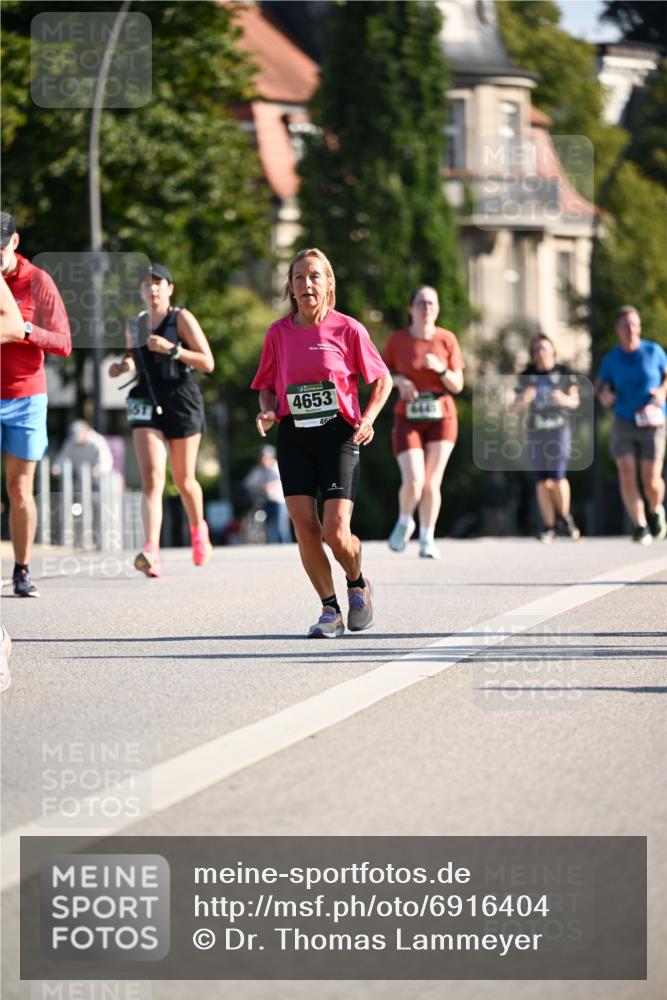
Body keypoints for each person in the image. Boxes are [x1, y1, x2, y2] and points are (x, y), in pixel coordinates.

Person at [251, 247, 391, 638]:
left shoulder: (349, 329)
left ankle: (357, 583)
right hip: (294, 435)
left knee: (336, 531)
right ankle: (330, 609)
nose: (306, 284)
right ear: (290, 287)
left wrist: (368, 418)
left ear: (329, 283)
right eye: (299, 277)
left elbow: (382, 379)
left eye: (314, 276)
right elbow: (265, 386)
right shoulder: (278, 333)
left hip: (338, 435)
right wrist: (267, 411)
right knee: (305, 527)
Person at [109, 262, 214, 576]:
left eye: (158, 283)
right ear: (140, 291)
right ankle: (151, 551)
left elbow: (207, 362)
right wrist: (122, 366)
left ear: (170, 288)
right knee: (153, 477)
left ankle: (198, 531)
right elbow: (133, 357)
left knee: (183, 480)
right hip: (146, 398)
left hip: (181, 400)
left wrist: (174, 350)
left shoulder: (181, 318)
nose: (152, 288)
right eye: (146, 284)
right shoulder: (135, 324)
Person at [0, 212, 72, 597]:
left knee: (19, 488)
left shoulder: (37, 281)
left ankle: (22, 570)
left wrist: (25, 330)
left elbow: (64, 343)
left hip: (26, 397)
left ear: (14, 242)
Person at [382, 285, 464, 559]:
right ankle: (405, 521)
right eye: (421, 303)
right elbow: (380, 375)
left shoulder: (446, 339)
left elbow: (457, 385)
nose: (426, 308)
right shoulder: (398, 340)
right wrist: (399, 381)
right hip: (408, 416)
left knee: (431, 483)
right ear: (411, 309)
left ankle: (427, 538)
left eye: (431, 303)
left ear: (437, 308)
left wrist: (440, 368)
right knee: (415, 480)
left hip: (442, 415)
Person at [596, 305, 667, 544]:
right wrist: (603, 393)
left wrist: (662, 391)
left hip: (652, 420)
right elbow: (599, 384)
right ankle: (640, 525)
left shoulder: (653, 351)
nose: (631, 329)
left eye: (634, 324)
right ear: (617, 329)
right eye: (626, 325)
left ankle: (655, 510)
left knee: (650, 479)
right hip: (624, 419)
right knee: (626, 472)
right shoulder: (611, 359)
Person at [512, 333, 581, 543]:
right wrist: (524, 399)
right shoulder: (527, 375)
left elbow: (575, 401)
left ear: (552, 351)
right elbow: (513, 408)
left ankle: (565, 517)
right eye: (536, 350)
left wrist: (564, 399)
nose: (540, 353)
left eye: (544, 348)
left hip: (558, 430)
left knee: (558, 477)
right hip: (536, 432)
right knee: (542, 481)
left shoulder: (564, 372)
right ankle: (549, 525)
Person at [242, 444, 291, 544]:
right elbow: (248, 483)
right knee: (270, 527)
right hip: (266, 501)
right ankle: (273, 548)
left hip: (280, 502)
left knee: (281, 528)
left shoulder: (277, 467)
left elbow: (280, 482)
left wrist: (267, 486)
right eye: (261, 458)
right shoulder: (259, 471)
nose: (263, 460)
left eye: (265, 457)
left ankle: (285, 546)